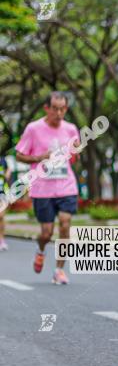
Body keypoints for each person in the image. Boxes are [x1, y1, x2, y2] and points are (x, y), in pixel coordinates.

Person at [15, 92, 81, 284]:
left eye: (63, 109)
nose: (59, 113)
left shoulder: (70, 128)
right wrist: (38, 158)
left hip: (66, 185)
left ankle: (59, 270)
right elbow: (20, 155)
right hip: (42, 189)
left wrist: (77, 150)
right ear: (47, 108)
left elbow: (74, 154)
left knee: (65, 223)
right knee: (46, 232)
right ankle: (41, 250)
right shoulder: (33, 129)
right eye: (55, 109)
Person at [0, 154, 10, 251]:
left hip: (1, 191)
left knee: (1, 216)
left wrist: (7, 174)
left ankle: (2, 240)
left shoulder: (2, 159)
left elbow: (8, 169)